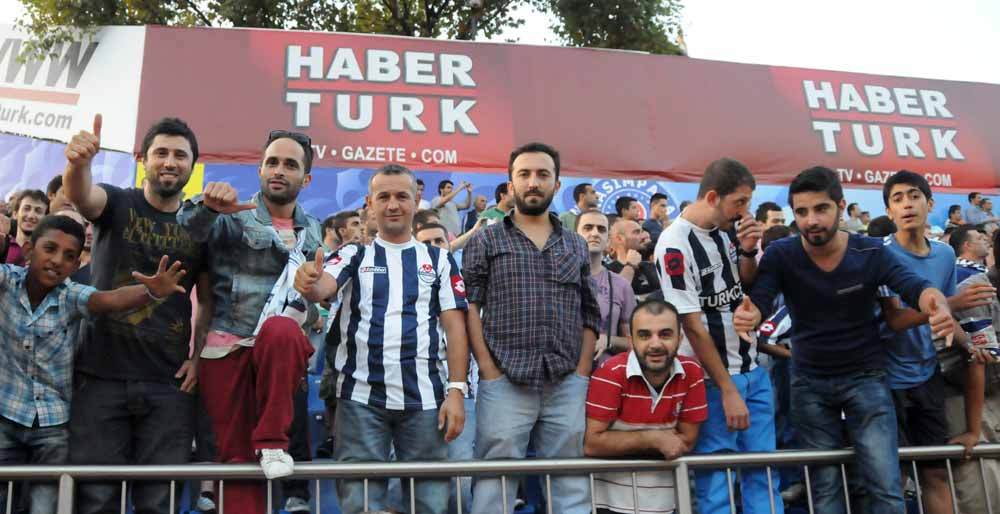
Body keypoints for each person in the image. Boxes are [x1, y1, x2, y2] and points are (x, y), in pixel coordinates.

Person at [744, 166, 955, 514]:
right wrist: (752, 314)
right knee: (825, 491)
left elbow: (914, 286)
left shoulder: (869, 251)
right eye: (802, 212)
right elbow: (761, 299)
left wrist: (937, 303)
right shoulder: (782, 254)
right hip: (808, 382)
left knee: (885, 486)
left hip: (867, 379)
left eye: (821, 209)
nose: (811, 220)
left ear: (840, 207)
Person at [294, 163, 469, 514]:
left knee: (429, 504)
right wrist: (310, 282)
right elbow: (323, 286)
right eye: (383, 196)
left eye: (401, 196)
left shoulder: (439, 260)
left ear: (416, 201)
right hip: (360, 398)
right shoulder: (352, 253)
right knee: (360, 504)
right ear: (370, 203)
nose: (392, 205)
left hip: (425, 400)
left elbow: (455, 328)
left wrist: (456, 391)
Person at [63, 115, 209, 514]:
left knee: (159, 502)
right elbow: (82, 196)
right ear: (142, 159)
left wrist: (198, 358)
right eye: (160, 152)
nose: (170, 162)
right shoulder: (117, 202)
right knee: (95, 500)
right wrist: (78, 164)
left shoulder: (201, 226)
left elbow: (208, 300)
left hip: (169, 384)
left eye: (180, 155)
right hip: (99, 377)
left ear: (192, 165)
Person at [0, 215, 188, 514]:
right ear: (28, 250)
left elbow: (109, 299)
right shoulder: (7, 281)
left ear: (76, 266)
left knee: (43, 507)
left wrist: (150, 292)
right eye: (49, 249)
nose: (57, 260)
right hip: (5, 418)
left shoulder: (71, 295)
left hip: (52, 426)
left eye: (69, 256)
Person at [177, 129, 321, 514]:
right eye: (272, 162)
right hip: (228, 351)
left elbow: (311, 299)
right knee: (238, 470)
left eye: (290, 164)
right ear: (259, 170)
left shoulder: (314, 230)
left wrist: (310, 310)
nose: (279, 170)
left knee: (283, 329)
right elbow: (188, 228)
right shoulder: (233, 216)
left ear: (306, 179)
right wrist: (208, 206)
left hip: (280, 356)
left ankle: (273, 442)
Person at [463, 142, 601, 514]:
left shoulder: (575, 244)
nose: (533, 182)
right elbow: (470, 307)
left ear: (557, 184)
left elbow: (590, 312)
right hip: (504, 380)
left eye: (542, 174)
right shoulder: (487, 239)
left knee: (570, 486)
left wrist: (581, 372)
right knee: (494, 487)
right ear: (511, 183)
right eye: (524, 174)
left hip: (565, 381)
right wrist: (488, 370)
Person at [653, 157, 777, 514]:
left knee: (764, 474)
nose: (744, 211)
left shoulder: (726, 231)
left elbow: (742, 283)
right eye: (739, 202)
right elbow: (692, 325)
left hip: (753, 369)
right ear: (712, 197)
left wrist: (749, 249)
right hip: (713, 380)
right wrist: (727, 389)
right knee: (717, 481)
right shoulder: (674, 245)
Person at [876, 171, 966, 514]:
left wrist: (971, 346)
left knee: (936, 473)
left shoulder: (944, 255)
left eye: (914, 196)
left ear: (929, 203)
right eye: (897, 199)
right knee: (892, 479)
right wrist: (951, 304)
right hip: (883, 380)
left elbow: (946, 316)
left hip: (927, 374)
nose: (907, 205)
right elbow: (895, 319)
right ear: (889, 212)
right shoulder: (880, 254)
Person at [584, 299, 708, 514]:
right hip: (610, 503)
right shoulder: (610, 373)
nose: (655, 344)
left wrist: (620, 440)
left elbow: (685, 442)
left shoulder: (692, 372)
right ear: (631, 341)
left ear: (679, 339)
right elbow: (592, 444)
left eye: (665, 334)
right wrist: (654, 438)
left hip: (669, 502)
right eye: (644, 335)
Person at [577, 209, 636, 361]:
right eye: (588, 228)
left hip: (606, 370)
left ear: (608, 240)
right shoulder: (557, 279)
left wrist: (609, 340)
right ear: (573, 235)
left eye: (601, 229)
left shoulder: (621, 285)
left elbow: (635, 342)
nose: (595, 233)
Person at [605, 218, 660, 297]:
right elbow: (612, 296)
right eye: (637, 232)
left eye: (642, 231)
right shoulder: (607, 271)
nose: (644, 236)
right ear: (619, 239)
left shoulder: (651, 266)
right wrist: (630, 265)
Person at [2, 189, 47, 266]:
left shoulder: (47, 253)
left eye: (38, 211)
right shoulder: (2, 245)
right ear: (15, 214)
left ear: (46, 218)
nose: (31, 216)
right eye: (26, 209)